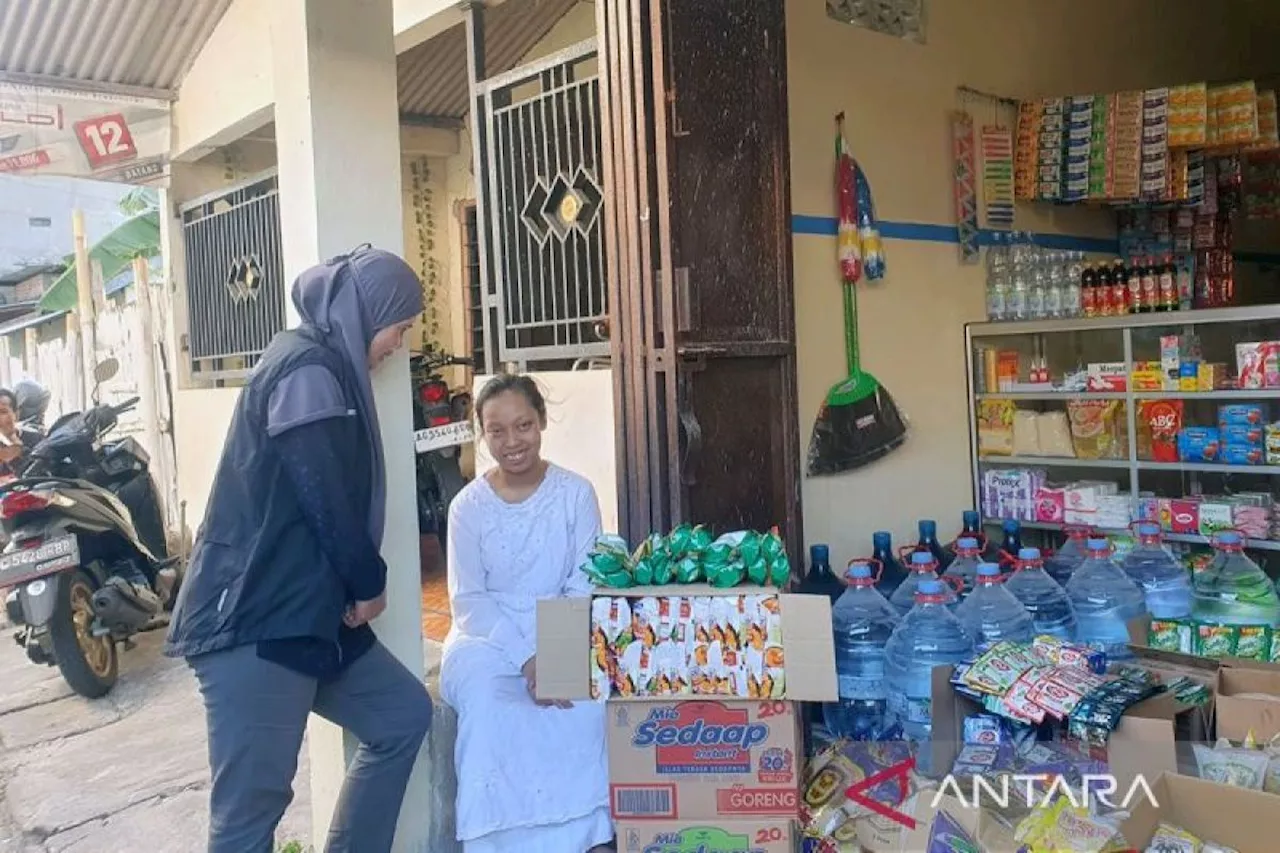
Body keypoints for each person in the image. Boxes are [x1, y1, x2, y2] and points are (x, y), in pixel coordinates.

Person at [164, 246, 434, 853]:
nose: (400, 342)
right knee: (249, 818)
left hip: (307, 618)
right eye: (401, 325)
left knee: (401, 716)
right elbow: (325, 495)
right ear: (371, 311)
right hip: (256, 623)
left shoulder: (325, 365)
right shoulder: (305, 369)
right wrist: (369, 582)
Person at [441, 373, 613, 853]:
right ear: (482, 433)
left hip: (561, 629)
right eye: (497, 430)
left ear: (541, 423)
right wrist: (525, 659)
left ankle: (584, 833)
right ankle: (497, 840)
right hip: (484, 640)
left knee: (582, 708)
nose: (512, 441)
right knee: (492, 710)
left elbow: (583, 583)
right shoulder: (465, 508)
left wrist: (551, 656)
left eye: (523, 425)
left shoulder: (576, 494)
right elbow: (469, 602)